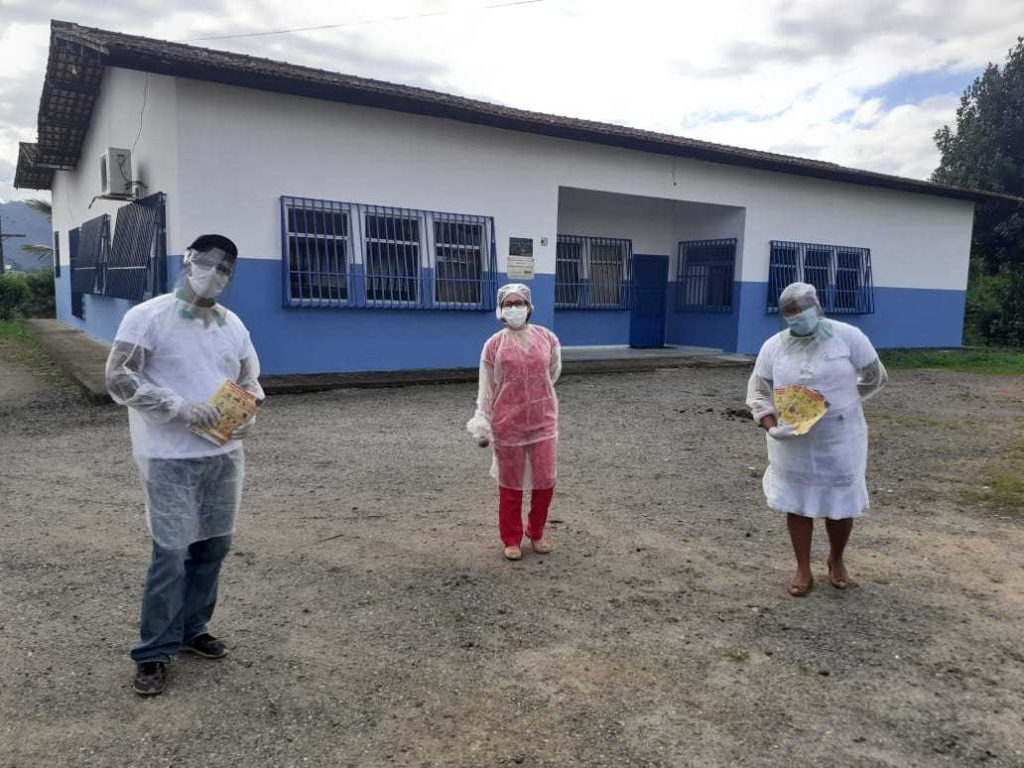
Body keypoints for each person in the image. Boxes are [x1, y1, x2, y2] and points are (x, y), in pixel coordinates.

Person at [105, 234, 264, 695]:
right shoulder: (148, 317)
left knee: (212, 548)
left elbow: (250, 377)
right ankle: (153, 650)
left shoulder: (231, 324)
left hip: (221, 454)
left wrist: (247, 414)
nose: (214, 273)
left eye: (226, 269)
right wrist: (177, 405)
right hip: (168, 455)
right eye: (208, 263)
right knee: (171, 553)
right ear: (188, 262)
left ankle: (193, 629)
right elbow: (118, 376)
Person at [746, 282, 887, 597]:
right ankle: (802, 567)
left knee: (840, 500)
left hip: (840, 435)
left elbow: (875, 376)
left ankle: (836, 559)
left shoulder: (848, 338)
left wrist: (845, 401)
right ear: (783, 316)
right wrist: (771, 426)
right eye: (790, 314)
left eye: (803, 312)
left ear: (817, 308)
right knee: (797, 502)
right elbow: (758, 392)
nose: (798, 319)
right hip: (793, 439)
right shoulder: (774, 347)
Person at [467, 283, 562, 560]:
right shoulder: (493, 345)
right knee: (510, 484)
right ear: (500, 309)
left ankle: (537, 531)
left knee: (545, 480)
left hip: (543, 421)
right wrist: (482, 419)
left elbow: (553, 372)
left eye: (519, 303)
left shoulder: (548, 338)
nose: (514, 308)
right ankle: (511, 538)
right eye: (508, 304)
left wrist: (534, 396)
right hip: (507, 423)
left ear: (529, 307)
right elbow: (486, 387)